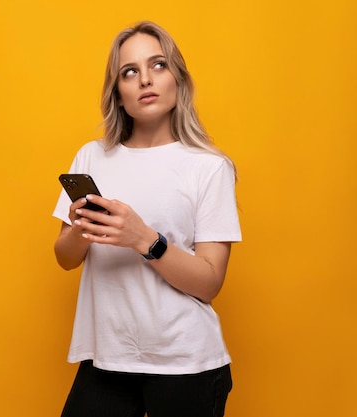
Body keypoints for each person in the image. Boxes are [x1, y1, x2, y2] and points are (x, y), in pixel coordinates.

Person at [52, 21, 241, 417]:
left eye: (158, 65)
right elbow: (66, 257)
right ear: (118, 94)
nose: (145, 80)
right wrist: (83, 229)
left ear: (178, 79)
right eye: (130, 71)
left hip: (187, 365)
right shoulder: (93, 156)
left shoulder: (210, 167)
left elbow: (209, 283)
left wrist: (144, 239)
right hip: (106, 359)